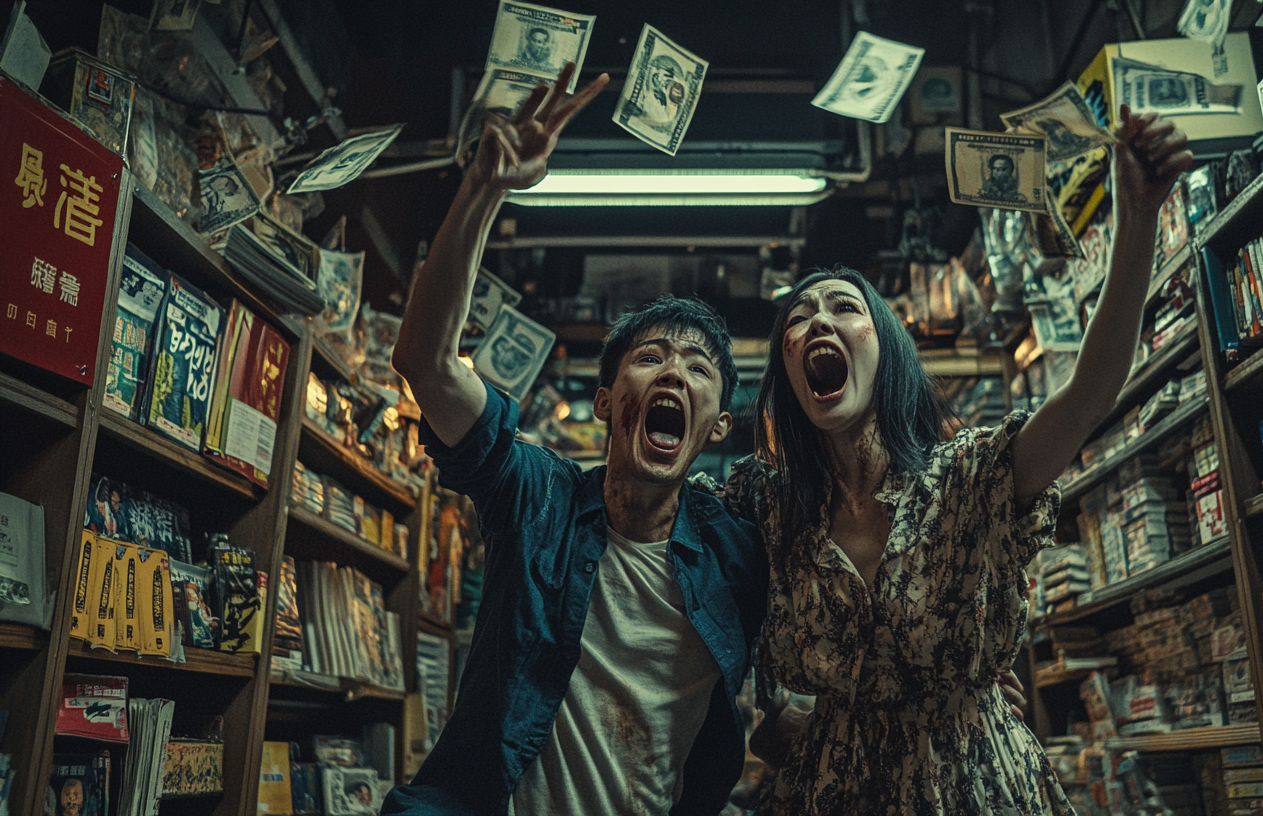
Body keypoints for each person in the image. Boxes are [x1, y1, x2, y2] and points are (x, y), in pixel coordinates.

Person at [725, 103, 1192, 815]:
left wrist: (1138, 217)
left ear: (886, 352)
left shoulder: (969, 481)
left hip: (981, 791)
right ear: (786, 371)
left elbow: (1092, 391)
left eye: (843, 307)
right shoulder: (765, 508)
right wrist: (762, 724)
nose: (817, 318)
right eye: (799, 316)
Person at [381, 64, 769, 816]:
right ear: (606, 403)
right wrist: (484, 190)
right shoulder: (539, 499)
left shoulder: (740, 553)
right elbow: (425, 364)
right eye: (650, 357)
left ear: (717, 426)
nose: (674, 375)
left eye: (697, 368)